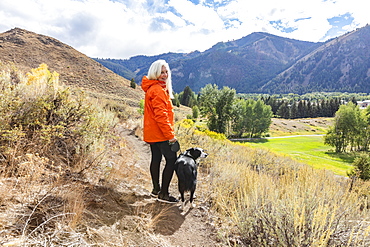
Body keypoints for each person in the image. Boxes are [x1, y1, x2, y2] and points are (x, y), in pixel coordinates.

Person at [141, 59, 179, 203]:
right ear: (155, 73)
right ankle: (164, 194)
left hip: (153, 133)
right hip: (161, 134)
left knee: (156, 159)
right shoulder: (157, 90)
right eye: (161, 72)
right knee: (171, 160)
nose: (164, 75)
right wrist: (171, 136)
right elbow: (161, 116)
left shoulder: (154, 88)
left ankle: (156, 189)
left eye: (166, 72)